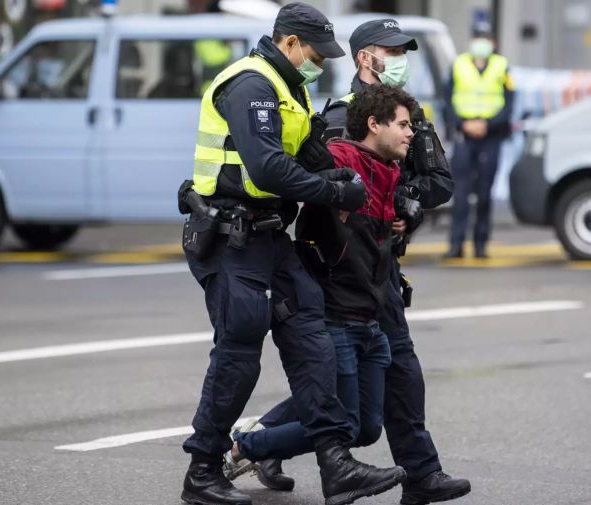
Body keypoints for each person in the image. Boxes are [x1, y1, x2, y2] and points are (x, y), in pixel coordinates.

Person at [233, 19, 470, 505]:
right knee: (366, 390)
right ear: (366, 57)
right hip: (348, 270)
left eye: (404, 51)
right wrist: (384, 209)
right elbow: (328, 189)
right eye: (392, 51)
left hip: (380, 264)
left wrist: (407, 205)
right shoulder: (342, 118)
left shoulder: (410, 113)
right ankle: (259, 444)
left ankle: (266, 442)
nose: (401, 59)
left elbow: (437, 183)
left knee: (366, 389)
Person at [178, 4, 405, 505]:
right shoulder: (251, 85)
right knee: (239, 355)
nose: (320, 63)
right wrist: (332, 192)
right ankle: (202, 469)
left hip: (270, 237)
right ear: (289, 43)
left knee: (314, 343)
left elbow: (309, 155)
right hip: (231, 240)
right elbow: (266, 169)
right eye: (315, 54)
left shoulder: (290, 89)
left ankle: (336, 465)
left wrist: (348, 177)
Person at [224, 83, 416, 500]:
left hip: (370, 316)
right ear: (373, 124)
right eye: (403, 124)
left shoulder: (389, 170)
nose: (410, 132)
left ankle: (258, 443)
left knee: (366, 428)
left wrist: (405, 220)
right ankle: (243, 448)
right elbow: (307, 179)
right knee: (342, 422)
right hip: (336, 314)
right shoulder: (344, 158)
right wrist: (334, 189)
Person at [444, 19, 515, 259]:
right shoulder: (459, 64)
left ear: (492, 42)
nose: (481, 43)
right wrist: (463, 124)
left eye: (485, 38)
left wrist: (488, 124)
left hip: (490, 136)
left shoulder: (502, 66)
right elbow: (448, 100)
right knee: (461, 193)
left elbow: (509, 103)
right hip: (464, 135)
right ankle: (456, 244)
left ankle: (480, 244)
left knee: (485, 193)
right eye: (478, 37)